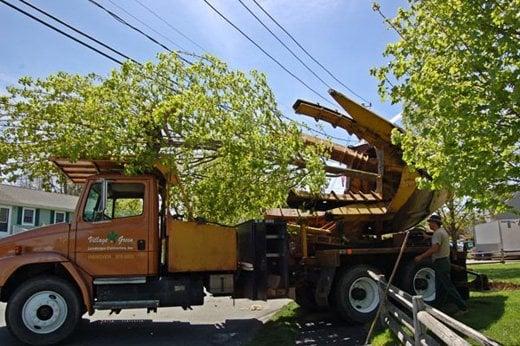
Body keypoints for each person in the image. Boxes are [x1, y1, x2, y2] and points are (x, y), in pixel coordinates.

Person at [414, 214, 467, 313]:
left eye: (430, 222)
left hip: (440, 262)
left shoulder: (437, 234)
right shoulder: (442, 232)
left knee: (448, 286)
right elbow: (438, 240)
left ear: (434, 223)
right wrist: (428, 236)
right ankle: (437, 308)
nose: (429, 224)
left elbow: (435, 248)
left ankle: (463, 307)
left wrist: (421, 256)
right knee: (440, 287)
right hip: (444, 261)